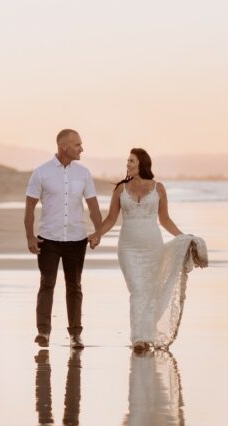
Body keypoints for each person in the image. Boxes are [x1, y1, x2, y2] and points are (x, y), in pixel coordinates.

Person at [89, 148, 207, 352]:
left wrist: (183, 237)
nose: (127, 164)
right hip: (128, 248)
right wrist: (97, 234)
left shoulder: (158, 188)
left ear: (142, 163)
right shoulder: (121, 189)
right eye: (127, 161)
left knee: (150, 291)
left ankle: (146, 336)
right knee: (137, 290)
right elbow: (110, 219)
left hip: (153, 247)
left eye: (131, 161)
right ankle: (138, 339)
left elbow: (165, 219)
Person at [24, 129, 103, 349]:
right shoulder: (41, 172)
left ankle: (75, 335)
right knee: (47, 284)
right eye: (77, 145)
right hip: (48, 239)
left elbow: (93, 206)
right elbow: (30, 207)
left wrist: (98, 232)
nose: (82, 149)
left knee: (74, 286)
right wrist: (30, 236)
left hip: (77, 239)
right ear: (64, 147)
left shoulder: (84, 173)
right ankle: (43, 332)